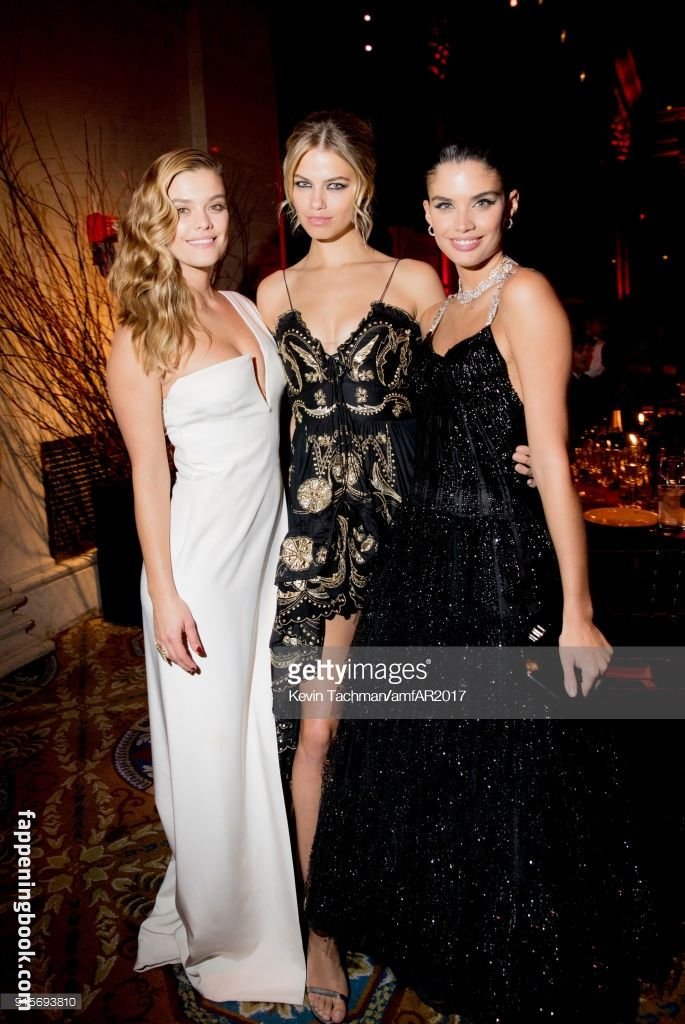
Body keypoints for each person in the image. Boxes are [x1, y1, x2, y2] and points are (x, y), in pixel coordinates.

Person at [304, 141, 655, 1022]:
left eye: (482, 202)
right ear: (424, 215)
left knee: (510, 771)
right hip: (422, 558)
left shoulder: (524, 294)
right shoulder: (439, 307)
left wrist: (577, 612)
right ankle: (446, 930)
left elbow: (552, 460)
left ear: (511, 205)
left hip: (499, 561)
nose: (463, 222)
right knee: (431, 759)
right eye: (445, 205)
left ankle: (511, 953)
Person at [257, 112, 535, 1023]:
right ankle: (320, 932)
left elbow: (470, 385)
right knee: (317, 736)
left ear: (366, 189)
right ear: (286, 191)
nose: (318, 201)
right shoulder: (271, 290)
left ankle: (420, 905)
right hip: (316, 542)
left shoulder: (414, 279)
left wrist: (530, 453)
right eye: (303, 183)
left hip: (412, 536)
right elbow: (268, 427)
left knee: (417, 731)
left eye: (335, 183)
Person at [106, 149, 305, 1002]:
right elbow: (148, 474)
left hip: (266, 550)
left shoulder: (242, 304)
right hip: (201, 564)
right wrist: (164, 593)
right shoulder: (139, 336)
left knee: (263, 730)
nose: (203, 224)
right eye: (182, 209)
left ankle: (270, 887)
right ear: (155, 223)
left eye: (215, 206)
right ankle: (228, 922)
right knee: (214, 745)